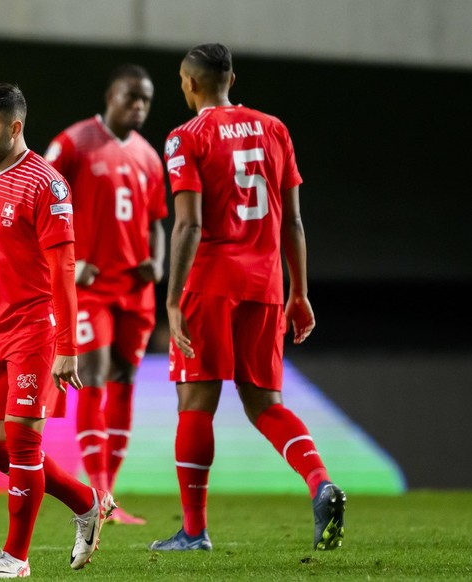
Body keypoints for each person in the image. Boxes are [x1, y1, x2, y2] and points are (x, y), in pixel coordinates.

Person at [151, 43, 346, 552]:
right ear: (231, 79)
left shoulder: (184, 138)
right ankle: (320, 482)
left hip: (210, 282)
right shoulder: (275, 127)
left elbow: (189, 224)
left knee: (196, 402)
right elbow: (294, 219)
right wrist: (298, 291)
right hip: (266, 283)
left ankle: (194, 532)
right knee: (265, 403)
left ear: (190, 83)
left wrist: (172, 302)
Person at [0, 83, 116, 578]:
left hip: (35, 329)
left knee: (24, 444)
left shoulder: (47, 184)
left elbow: (63, 271)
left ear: (15, 127)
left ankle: (15, 557)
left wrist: (67, 346)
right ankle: (86, 501)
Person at [44, 64, 167, 525]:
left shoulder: (149, 157)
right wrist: (70, 265)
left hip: (135, 291)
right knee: (92, 375)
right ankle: (96, 493)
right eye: (131, 97)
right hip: (88, 289)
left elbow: (157, 221)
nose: (138, 107)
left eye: (146, 100)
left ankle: (108, 496)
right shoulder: (74, 142)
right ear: (111, 95)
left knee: (124, 382)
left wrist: (158, 262)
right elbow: (38, 200)